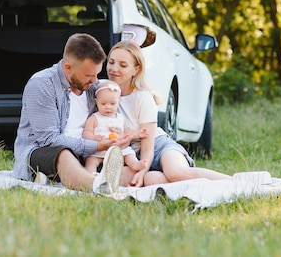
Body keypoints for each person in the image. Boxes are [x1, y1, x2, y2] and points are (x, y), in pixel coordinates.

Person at [12, 33, 134, 195]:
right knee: (64, 154)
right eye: (89, 75)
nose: (95, 81)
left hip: (87, 153)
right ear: (68, 67)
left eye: (97, 74)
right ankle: (96, 185)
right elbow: (49, 140)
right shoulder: (42, 84)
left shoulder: (93, 88)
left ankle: (82, 179)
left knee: (132, 167)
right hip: (46, 151)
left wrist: (116, 136)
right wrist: (96, 145)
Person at [106, 40, 232, 187]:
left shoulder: (142, 97)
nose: (114, 69)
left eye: (123, 65)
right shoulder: (104, 93)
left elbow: (148, 143)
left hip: (158, 146)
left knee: (175, 172)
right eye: (111, 62)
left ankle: (237, 182)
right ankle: (196, 185)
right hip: (133, 155)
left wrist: (142, 170)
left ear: (136, 70)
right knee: (152, 179)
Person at [82, 79, 149, 174]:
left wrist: (138, 134)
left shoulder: (120, 118)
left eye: (112, 103)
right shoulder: (94, 118)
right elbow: (86, 132)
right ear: (96, 102)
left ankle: (135, 164)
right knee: (90, 160)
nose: (108, 107)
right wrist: (93, 138)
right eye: (103, 104)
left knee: (129, 153)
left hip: (118, 150)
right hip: (99, 150)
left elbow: (127, 132)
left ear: (119, 102)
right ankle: (90, 175)